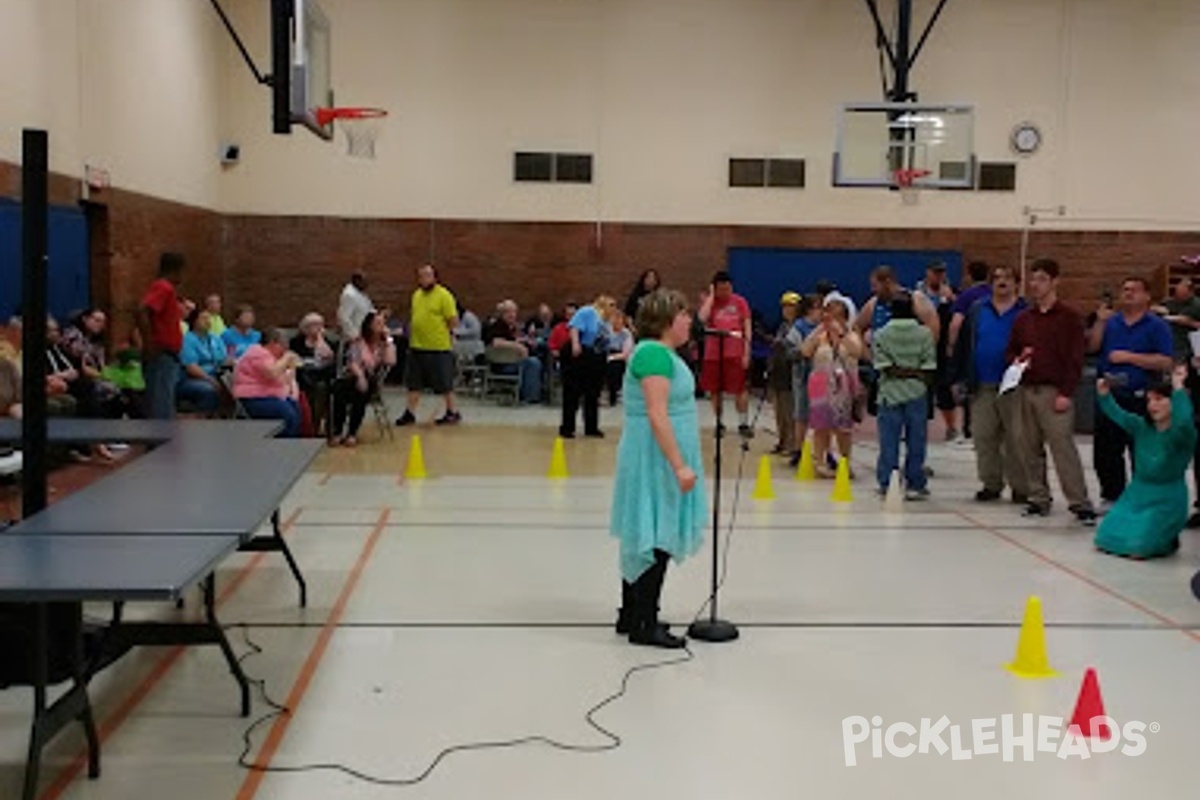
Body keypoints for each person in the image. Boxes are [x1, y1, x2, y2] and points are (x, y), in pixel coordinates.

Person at [610, 288, 707, 648]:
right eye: (684, 315)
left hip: (656, 453)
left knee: (646, 527)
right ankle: (643, 622)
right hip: (655, 456)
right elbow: (656, 413)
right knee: (655, 531)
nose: (689, 322)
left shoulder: (661, 354)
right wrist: (679, 465)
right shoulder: (653, 354)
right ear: (667, 319)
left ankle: (634, 613)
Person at [1004, 258, 1096, 524]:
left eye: (1042, 279)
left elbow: (1076, 358)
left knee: (1062, 447)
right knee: (1028, 447)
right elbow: (1010, 350)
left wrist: (1066, 392)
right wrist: (1017, 359)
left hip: (1054, 390)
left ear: (1055, 281)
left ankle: (1079, 502)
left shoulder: (1069, 317)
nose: (1036, 285)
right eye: (1033, 279)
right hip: (1025, 389)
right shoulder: (1024, 318)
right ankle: (1038, 497)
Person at [1087, 276, 1174, 509]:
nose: (1128, 294)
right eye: (1124, 289)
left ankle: (1143, 496)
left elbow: (1165, 361)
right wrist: (1100, 323)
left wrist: (1129, 357)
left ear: (1147, 296)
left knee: (1141, 449)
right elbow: (1092, 347)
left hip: (1141, 396)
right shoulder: (1111, 322)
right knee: (1106, 449)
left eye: (1134, 290)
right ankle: (1112, 495)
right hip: (1110, 396)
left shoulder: (1157, 326)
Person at [1093, 365, 1195, 559]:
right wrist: (1104, 395)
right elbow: (1117, 414)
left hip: (1167, 499)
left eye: (1159, 399)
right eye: (1149, 400)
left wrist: (1179, 389)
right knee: (1105, 538)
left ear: (1172, 402)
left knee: (1138, 547)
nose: (1152, 405)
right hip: (1137, 494)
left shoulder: (1182, 435)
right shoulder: (1141, 426)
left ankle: (1166, 537)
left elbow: (1184, 422)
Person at [954, 264, 1028, 503]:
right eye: (996, 278)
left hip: (1014, 386)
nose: (1001, 282)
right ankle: (991, 483)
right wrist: (960, 377)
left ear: (1017, 282)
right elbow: (964, 343)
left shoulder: (1025, 311)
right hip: (982, 384)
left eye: (1007, 277)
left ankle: (1021, 487)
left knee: (1016, 439)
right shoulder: (977, 310)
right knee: (984, 436)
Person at [871, 292, 936, 499]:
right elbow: (929, 366)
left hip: (890, 394)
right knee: (916, 441)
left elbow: (885, 367)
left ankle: (887, 482)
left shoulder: (881, 335)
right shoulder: (925, 334)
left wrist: (900, 369)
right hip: (917, 393)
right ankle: (915, 483)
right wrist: (915, 372)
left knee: (889, 441)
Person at [801, 299, 863, 478]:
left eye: (834, 316)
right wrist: (818, 333)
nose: (829, 320)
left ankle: (845, 461)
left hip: (843, 386)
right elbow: (805, 351)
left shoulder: (850, 335)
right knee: (821, 426)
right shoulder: (819, 335)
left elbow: (857, 351)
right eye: (827, 315)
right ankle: (819, 462)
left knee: (843, 427)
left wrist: (840, 334)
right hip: (820, 385)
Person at [396, 264, 461, 426]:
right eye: (421, 276)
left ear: (434, 277)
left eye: (427, 275)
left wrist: (439, 332)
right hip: (417, 345)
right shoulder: (416, 295)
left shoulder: (444, 295)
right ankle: (410, 413)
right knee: (414, 383)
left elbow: (453, 321)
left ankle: (452, 411)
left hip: (438, 347)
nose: (424, 279)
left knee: (444, 383)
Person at [697, 271, 752, 436]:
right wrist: (711, 297)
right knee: (715, 390)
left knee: (740, 388)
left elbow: (747, 328)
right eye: (721, 289)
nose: (725, 292)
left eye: (728, 288)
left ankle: (743, 422)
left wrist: (746, 352)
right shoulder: (711, 302)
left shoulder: (740, 302)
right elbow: (701, 319)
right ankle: (719, 422)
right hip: (714, 353)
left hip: (735, 352)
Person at [331, 312, 397, 446]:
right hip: (355, 376)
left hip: (372, 381)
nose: (381, 326)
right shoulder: (358, 342)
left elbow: (390, 361)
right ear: (369, 326)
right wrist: (360, 377)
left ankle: (352, 433)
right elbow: (353, 362)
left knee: (360, 394)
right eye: (377, 323)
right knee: (341, 389)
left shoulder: (385, 344)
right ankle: (337, 431)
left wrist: (389, 340)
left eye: (383, 323)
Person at [137, 252, 186, 419]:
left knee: (165, 397)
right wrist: (149, 342)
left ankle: (163, 436)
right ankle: (160, 438)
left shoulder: (166, 289)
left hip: (168, 353)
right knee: (160, 400)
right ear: (176, 270)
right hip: (162, 352)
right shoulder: (164, 287)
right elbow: (143, 310)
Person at [560, 294, 615, 438]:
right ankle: (567, 427)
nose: (613, 309)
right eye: (610, 305)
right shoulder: (588, 311)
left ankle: (591, 427)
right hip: (580, 353)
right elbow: (574, 327)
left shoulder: (607, 320)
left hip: (597, 356)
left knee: (593, 393)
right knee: (573, 392)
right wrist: (575, 344)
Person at [232, 328, 304, 437]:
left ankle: (292, 443)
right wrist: (287, 358)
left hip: (271, 393)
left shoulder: (273, 357)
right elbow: (272, 373)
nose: (285, 349)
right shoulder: (258, 354)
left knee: (295, 408)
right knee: (287, 415)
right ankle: (282, 446)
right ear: (273, 343)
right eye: (283, 345)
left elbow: (286, 379)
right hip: (253, 397)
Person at [768, 292, 802, 455]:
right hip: (778, 371)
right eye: (785, 306)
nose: (787, 310)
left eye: (791, 307)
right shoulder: (782, 326)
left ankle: (791, 442)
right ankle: (782, 440)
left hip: (791, 373)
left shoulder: (799, 327)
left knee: (790, 410)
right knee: (779, 410)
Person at [338, 270, 374, 342]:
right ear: (357, 281)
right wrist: (355, 335)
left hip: (365, 333)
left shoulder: (361, 293)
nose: (367, 284)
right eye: (364, 281)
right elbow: (344, 317)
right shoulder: (349, 295)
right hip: (355, 338)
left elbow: (368, 309)